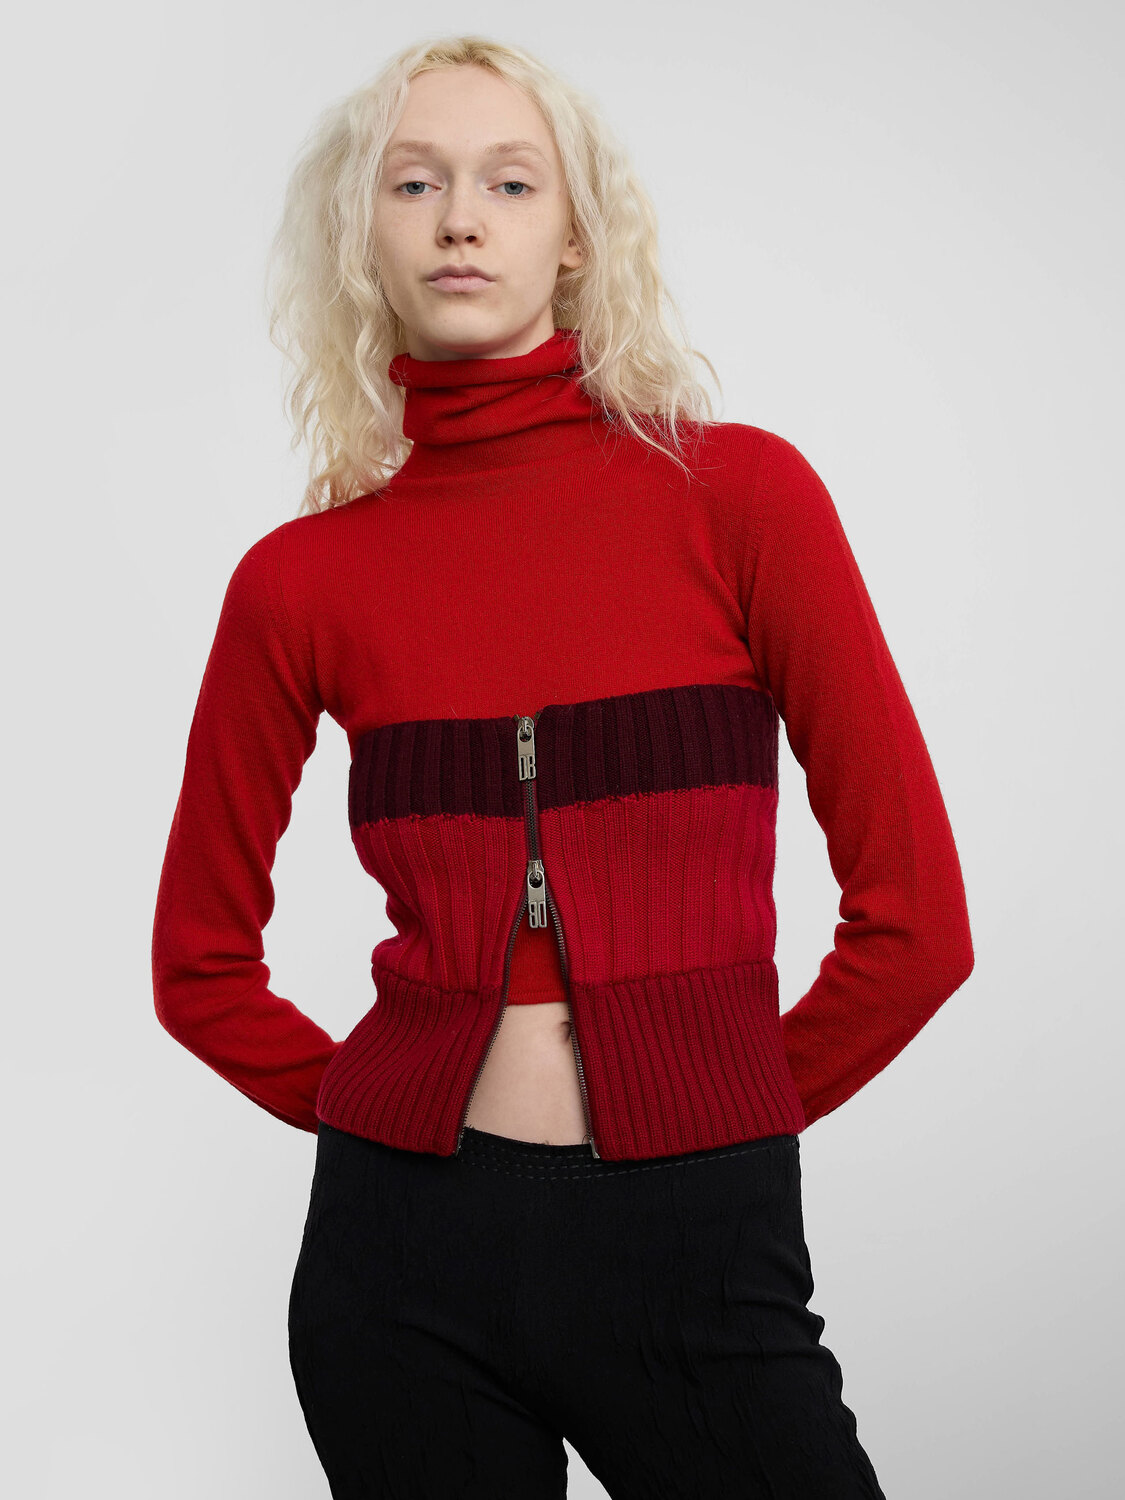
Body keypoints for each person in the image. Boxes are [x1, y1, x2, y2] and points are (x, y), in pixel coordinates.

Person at [151, 33, 974, 1499]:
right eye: (414, 183)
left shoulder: (739, 500)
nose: (460, 219)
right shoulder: (300, 582)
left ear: (576, 238)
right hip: (396, 1270)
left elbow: (918, 929)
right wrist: (384, 1110)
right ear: (361, 237)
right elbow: (197, 966)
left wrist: (720, 1111)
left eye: (510, 182)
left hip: (695, 1236)